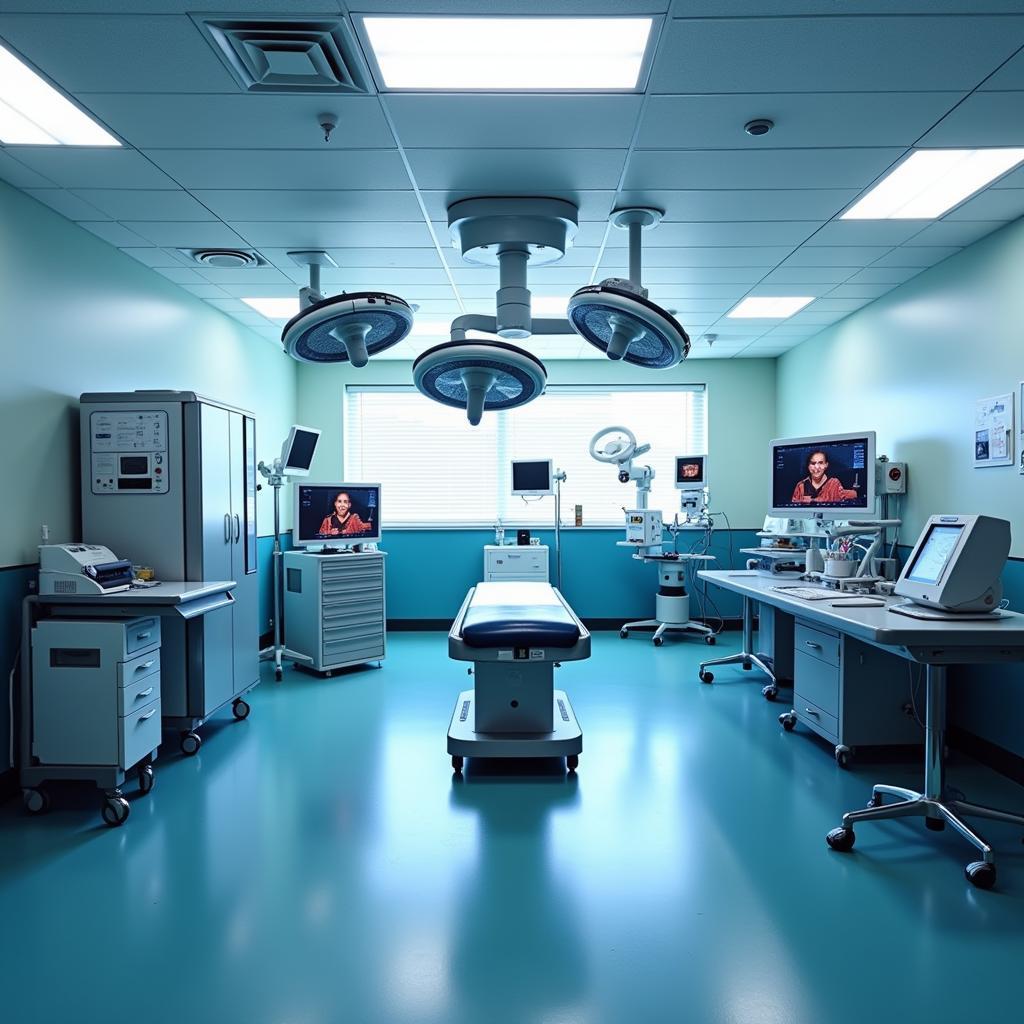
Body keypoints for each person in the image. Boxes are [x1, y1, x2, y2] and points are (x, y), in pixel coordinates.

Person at [790, 450, 859, 504]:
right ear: (808, 466)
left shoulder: (834, 484)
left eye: (820, 463)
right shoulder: (800, 486)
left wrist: (855, 491)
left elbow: (847, 494)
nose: (816, 467)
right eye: (813, 463)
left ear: (826, 465)